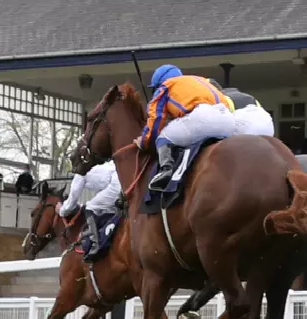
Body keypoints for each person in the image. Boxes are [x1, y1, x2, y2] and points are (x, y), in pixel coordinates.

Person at [136, 64, 275, 191]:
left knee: (163, 136)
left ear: (159, 83)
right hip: (228, 119)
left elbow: (156, 120)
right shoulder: (200, 80)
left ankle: (165, 171)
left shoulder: (165, 86)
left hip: (203, 118)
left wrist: (144, 142)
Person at [60, 159, 122, 262]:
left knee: (90, 207)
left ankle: (95, 243)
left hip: (116, 183)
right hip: (121, 177)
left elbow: (72, 201)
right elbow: (103, 192)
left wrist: (60, 210)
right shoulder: (97, 168)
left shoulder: (80, 174)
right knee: (106, 209)